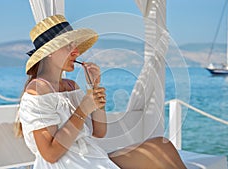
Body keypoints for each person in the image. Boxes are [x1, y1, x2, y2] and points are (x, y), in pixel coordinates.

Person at [16, 14, 186, 169]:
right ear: (50, 52)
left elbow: (99, 131)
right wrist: (82, 109)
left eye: (75, 46)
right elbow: (50, 154)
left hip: (91, 158)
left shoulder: (71, 86)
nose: (76, 52)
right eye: (68, 46)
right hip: (65, 165)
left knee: (162, 146)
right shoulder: (37, 92)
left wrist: (95, 87)